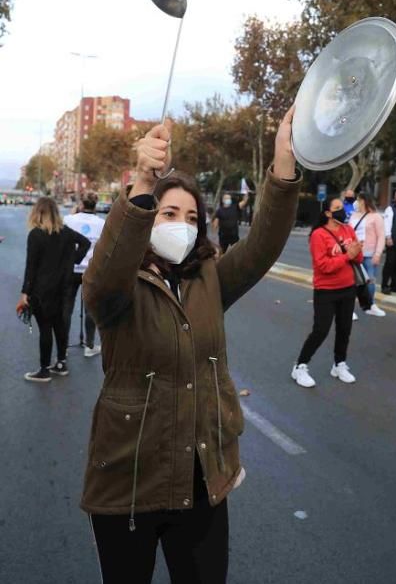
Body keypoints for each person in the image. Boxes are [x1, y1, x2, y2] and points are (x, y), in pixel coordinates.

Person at [81, 109, 301, 583]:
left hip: (202, 483)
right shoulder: (119, 285)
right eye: (168, 213)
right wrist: (141, 181)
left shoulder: (208, 279)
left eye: (191, 216)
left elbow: (262, 244)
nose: (181, 224)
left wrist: (284, 166)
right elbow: (100, 280)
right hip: (129, 482)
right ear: (147, 219)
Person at [291, 196, 363, 388]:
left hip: (348, 288)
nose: (343, 211)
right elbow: (323, 266)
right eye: (338, 207)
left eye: (343, 207)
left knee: (344, 328)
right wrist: (348, 255)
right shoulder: (318, 235)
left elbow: (358, 258)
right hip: (326, 290)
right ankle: (300, 366)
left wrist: (356, 251)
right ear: (328, 213)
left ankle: (339, 364)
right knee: (321, 330)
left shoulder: (348, 229)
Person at [16, 197, 90, 382]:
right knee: (59, 325)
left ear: (37, 212)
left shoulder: (35, 235)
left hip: (41, 290)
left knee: (45, 329)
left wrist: (25, 292)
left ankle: (44, 369)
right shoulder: (65, 232)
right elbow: (86, 243)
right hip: (63, 287)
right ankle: (61, 363)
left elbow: (31, 267)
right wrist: (73, 260)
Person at [63, 191, 105, 357]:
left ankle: (63, 345)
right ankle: (89, 345)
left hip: (71, 267)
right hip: (91, 268)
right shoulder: (101, 223)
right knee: (90, 309)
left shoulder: (68, 220)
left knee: (66, 308)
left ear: (80, 204)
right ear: (95, 205)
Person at [349, 192, 386, 318]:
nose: (356, 202)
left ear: (364, 201)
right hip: (354, 253)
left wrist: (378, 253)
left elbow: (381, 236)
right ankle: (349, 309)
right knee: (352, 282)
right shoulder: (353, 215)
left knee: (369, 280)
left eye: (358, 200)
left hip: (369, 254)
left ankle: (370, 305)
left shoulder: (376, 217)